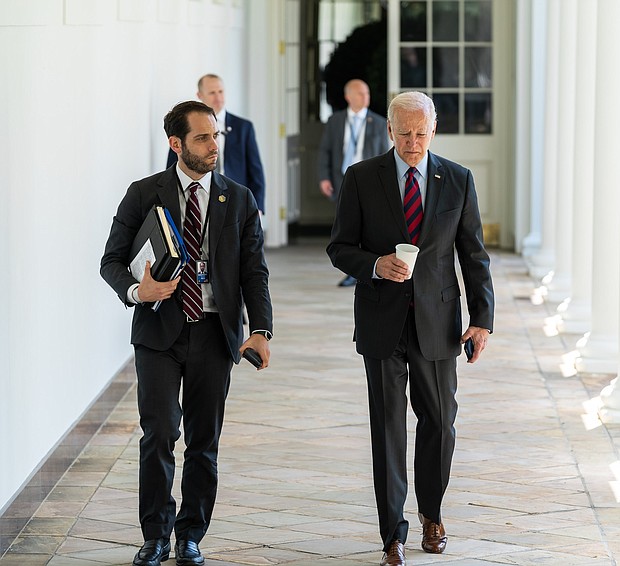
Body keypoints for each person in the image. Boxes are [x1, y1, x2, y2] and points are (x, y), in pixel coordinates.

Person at [101, 100, 273, 566]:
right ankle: (155, 534)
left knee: (203, 441)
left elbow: (255, 271)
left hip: (215, 334)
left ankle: (191, 534)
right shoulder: (143, 194)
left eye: (215, 136)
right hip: (158, 333)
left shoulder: (238, 198)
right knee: (158, 433)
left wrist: (260, 330)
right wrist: (140, 289)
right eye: (201, 137)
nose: (212, 145)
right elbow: (111, 261)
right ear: (176, 144)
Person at [326, 91, 494, 565]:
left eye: (421, 133)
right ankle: (391, 535)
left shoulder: (458, 180)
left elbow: (473, 255)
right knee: (388, 429)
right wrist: (375, 265)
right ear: (390, 131)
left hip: (438, 323)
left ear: (433, 130)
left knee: (440, 423)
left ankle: (433, 514)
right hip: (381, 321)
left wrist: (482, 320)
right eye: (405, 134)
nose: (413, 142)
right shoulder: (361, 178)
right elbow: (340, 247)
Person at [318, 79, 391, 287]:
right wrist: (324, 177)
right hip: (342, 179)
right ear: (348, 96)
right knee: (347, 227)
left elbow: (385, 155)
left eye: (367, 94)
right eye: (360, 94)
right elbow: (325, 151)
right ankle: (352, 269)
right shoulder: (335, 121)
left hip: (369, 181)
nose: (365, 98)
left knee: (368, 226)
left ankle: (364, 269)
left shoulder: (378, 123)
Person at [167, 74, 266, 215]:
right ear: (200, 95)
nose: (218, 97)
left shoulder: (243, 127)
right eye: (212, 93)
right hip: (197, 199)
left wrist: (258, 207)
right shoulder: (185, 127)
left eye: (221, 91)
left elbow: (256, 171)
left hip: (236, 201)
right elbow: (173, 165)